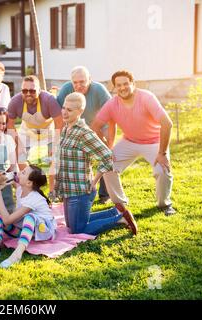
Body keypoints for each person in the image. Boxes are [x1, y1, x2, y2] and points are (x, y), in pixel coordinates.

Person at [91, 70, 175, 216]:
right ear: (114, 87)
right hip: (129, 141)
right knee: (108, 165)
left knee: (162, 170)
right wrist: (106, 148)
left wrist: (162, 153)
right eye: (119, 85)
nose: (122, 88)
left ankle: (164, 204)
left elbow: (167, 124)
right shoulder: (112, 104)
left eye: (126, 84)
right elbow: (95, 126)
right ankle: (120, 206)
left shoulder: (146, 97)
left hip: (154, 141)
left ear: (133, 84)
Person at [55, 92, 137, 236]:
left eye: (69, 110)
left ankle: (120, 219)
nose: (64, 112)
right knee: (72, 225)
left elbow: (108, 156)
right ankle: (115, 211)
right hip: (69, 188)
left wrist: (95, 179)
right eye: (64, 108)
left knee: (77, 229)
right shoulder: (66, 129)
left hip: (81, 189)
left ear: (80, 111)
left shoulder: (84, 133)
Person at [0, 164, 57, 269]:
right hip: (27, 231)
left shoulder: (33, 198)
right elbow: (7, 180)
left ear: (29, 183)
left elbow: (7, 221)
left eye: (23, 172)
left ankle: (17, 255)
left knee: (29, 217)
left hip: (44, 230)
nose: (19, 173)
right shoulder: (21, 189)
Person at [56, 66, 113, 203]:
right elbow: (60, 113)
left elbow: (111, 115)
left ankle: (105, 194)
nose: (78, 85)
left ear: (90, 80)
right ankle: (67, 191)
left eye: (82, 82)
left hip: (99, 124)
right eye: (75, 82)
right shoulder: (66, 89)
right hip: (74, 125)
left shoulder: (98, 90)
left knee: (106, 155)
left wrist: (109, 143)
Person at [7, 75, 63, 196]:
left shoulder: (49, 100)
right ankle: (30, 187)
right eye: (24, 91)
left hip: (48, 131)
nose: (28, 94)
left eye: (32, 91)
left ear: (39, 90)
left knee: (56, 156)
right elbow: (10, 125)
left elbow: (59, 123)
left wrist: (56, 143)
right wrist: (17, 143)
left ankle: (53, 191)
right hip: (27, 130)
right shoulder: (15, 101)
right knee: (19, 156)